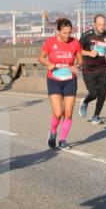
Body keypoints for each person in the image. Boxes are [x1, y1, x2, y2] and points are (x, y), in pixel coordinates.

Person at [39, 18, 82, 149]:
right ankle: (52, 132)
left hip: (70, 79)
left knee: (68, 113)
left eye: (69, 33)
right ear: (58, 31)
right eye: (64, 33)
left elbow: (81, 61)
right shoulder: (50, 42)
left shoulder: (75, 43)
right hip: (54, 80)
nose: (67, 36)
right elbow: (41, 58)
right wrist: (48, 64)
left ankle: (63, 140)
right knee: (58, 113)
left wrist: (77, 66)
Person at [78, 14, 106, 124]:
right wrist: (89, 53)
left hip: (102, 68)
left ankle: (96, 116)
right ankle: (85, 102)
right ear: (95, 24)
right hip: (88, 69)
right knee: (93, 93)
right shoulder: (87, 35)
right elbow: (77, 51)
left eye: (104, 24)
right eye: (99, 25)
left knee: (102, 92)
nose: (102, 27)